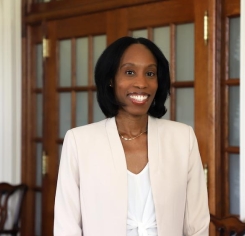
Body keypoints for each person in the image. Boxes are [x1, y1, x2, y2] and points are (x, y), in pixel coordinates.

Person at [54, 36, 209, 236]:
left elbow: (197, 224)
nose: (142, 83)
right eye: (129, 72)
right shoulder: (79, 142)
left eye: (150, 73)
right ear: (110, 79)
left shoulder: (182, 138)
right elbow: (66, 227)